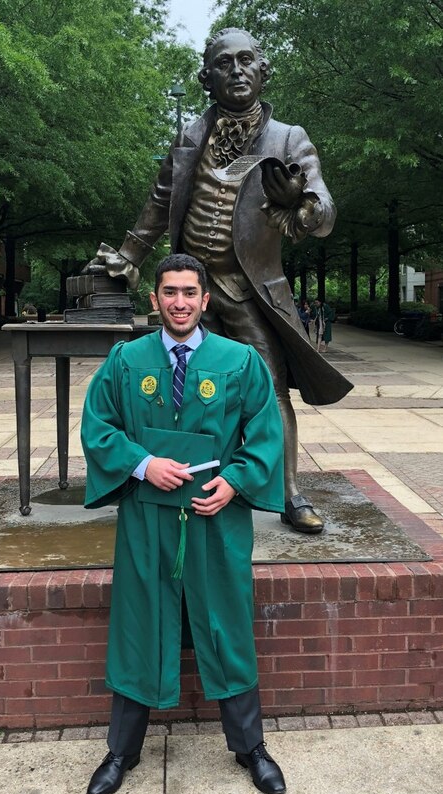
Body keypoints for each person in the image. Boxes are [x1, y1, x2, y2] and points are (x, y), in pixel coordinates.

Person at [87, 27, 352, 535]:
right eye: (225, 63)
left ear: (264, 71)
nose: (237, 69)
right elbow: (162, 199)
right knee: (171, 390)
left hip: (248, 287)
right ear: (207, 78)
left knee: (271, 387)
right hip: (189, 289)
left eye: (247, 60)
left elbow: (325, 214)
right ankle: (177, 478)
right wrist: (129, 254)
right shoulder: (190, 134)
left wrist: (301, 201)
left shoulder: (289, 138)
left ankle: (287, 491)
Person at [81, 254, 287, 794]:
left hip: (215, 519)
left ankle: (251, 747)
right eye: (169, 292)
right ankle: (120, 751)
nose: (179, 302)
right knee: (139, 623)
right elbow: (98, 425)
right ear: (155, 299)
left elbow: (265, 433)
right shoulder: (127, 360)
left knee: (227, 623)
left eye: (189, 293)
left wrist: (237, 482)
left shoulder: (239, 361)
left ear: (205, 300)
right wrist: (144, 463)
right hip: (148, 522)